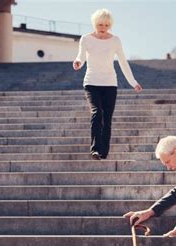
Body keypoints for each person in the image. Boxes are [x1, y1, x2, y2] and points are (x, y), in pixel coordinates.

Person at [73, 8, 142, 160]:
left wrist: (133, 82)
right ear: (94, 24)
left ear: (109, 25)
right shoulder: (86, 39)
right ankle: (95, 149)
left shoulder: (115, 40)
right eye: (100, 25)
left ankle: (103, 152)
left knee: (107, 119)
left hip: (110, 84)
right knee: (97, 113)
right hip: (91, 82)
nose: (103, 28)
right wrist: (78, 62)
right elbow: (81, 56)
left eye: (106, 25)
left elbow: (123, 62)